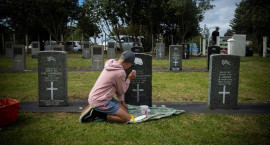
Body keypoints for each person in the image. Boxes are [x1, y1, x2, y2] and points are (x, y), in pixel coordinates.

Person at [79, 51, 136, 123]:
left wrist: (122, 101)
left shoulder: (111, 64)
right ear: (127, 63)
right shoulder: (120, 72)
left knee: (126, 111)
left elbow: (118, 90)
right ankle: (96, 114)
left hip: (99, 97)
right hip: (101, 100)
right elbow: (122, 91)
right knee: (127, 118)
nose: (130, 66)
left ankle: (93, 107)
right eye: (131, 64)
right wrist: (129, 79)